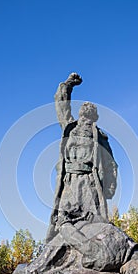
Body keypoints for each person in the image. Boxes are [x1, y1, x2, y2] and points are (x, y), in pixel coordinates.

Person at [46, 73, 118, 243]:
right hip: (69, 182)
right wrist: (68, 85)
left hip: (89, 183)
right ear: (79, 114)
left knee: (93, 223)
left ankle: (91, 252)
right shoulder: (69, 127)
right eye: (84, 111)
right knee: (62, 220)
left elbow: (110, 164)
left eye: (90, 112)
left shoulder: (99, 136)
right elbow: (61, 104)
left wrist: (109, 188)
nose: (86, 110)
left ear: (95, 118)